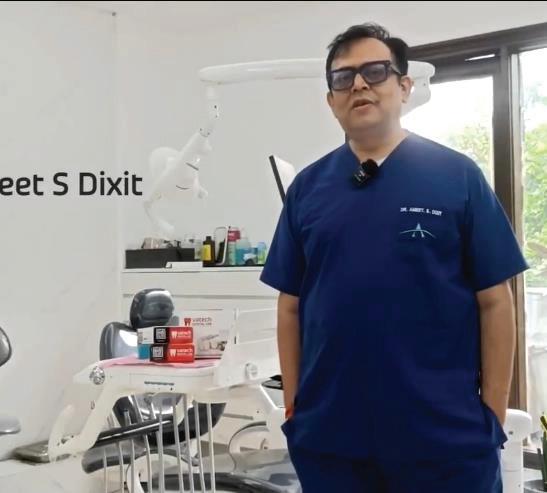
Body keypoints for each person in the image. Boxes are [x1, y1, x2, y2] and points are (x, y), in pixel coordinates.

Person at [259, 22, 529, 493]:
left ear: (403, 86)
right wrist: (296, 406)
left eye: (375, 71)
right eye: (343, 77)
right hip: (333, 441)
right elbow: (290, 306)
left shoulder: (457, 177)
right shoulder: (308, 188)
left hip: (444, 439)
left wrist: (492, 411)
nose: (358, 85)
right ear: (331, 101)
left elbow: (495, 300)